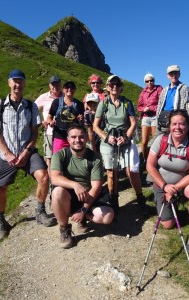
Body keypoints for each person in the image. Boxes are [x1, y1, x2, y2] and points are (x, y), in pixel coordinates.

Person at [0, 70, 55, 242]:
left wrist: (27, 151)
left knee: (44, 176)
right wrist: (8, 154)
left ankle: (40, 211)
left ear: (25, 84)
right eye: (14, 81)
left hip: (27, 151)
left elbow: (35, 132)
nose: (17, 85)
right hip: (6, 154)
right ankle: (1, 220)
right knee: (0, 188)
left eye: (21, 81)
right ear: (9, 83)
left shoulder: (30, 106)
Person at [146, 109, 189, 253]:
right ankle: (166, 202)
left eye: (182, 124)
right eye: (174, 124)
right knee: (168, 224)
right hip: (161, 184)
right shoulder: (161, 140)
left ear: (188, 126)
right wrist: (165, 186)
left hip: (182, 186)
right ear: (169, 126)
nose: (177, 127)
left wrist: (174, 189)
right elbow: (150, 166)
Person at [50, 124, 115, 249]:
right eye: (73, 137)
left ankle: (82, 216)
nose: (77, 140)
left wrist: (83, 210)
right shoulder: (60, 155)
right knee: (57, 192)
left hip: (88, 195)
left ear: (86, 138)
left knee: (107, 217)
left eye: (81, 137)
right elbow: (54, 178)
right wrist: (75, 185)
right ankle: (64, 228)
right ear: (68, 139)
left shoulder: (95, 158)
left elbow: (96, 187)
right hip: (67, 195)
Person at [93, 75, 146, 215]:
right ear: (107, 87)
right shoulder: (103, 104)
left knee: (132, 172)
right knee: (111, 173)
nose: (114, 86)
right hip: (108, 140)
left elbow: (133, 123)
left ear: (121, 87)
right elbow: (95, 126)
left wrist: (126, 137)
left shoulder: (127, 103)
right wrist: (106, 138)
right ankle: (113, 201)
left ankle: (141, 199)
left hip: (124, 139)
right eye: (111, 84)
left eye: (117, 84)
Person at [46, 80, 85, 153]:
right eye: (67, 87)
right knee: (58, 159)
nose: (69, 89)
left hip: (74, 138)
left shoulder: (79, 104)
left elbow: (82, 123)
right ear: (63, 90)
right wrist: (50, 122)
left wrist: (81, 120)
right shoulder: (56, 102)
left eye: (72, 87)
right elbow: (49, 116)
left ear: (75, 90)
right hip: (59, 136)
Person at [34, 75, 63, 171]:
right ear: (49, 86)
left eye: (57, 84)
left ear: (60, 85)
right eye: (53, 84)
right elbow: (32, 109)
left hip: (64, 132)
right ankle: (51, 182)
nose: (55, 86)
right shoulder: (44, 97)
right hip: (50, 132)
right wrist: (41, 121)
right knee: (49, 157)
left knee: (63, 156)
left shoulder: (65, 96)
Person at [155, 65, 189, 137]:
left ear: (179, 74)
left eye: (176, 73)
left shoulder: (184, 88)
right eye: (171, 74)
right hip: (163, 120)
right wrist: (157, 119)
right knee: (156, 143)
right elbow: (159, 105)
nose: (174, 75)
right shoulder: (164, 89)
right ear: (167, 76)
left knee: (173, 144)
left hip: (175, 121)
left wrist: (185, 122)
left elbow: (186, 106)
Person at [137, 73, 162, 163]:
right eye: (147, 81)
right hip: (145, 117)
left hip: (155, 117)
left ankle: (156, 160)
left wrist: (150, 108)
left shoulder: (158, 89)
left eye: (151, 80)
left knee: (155, 141)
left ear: (154, 81)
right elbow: (139, 107)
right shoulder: (143, 92)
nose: (149, 82)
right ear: (145, 82)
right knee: (144, 142)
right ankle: (145, 160)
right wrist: (144, 109)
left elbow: (161, 103)